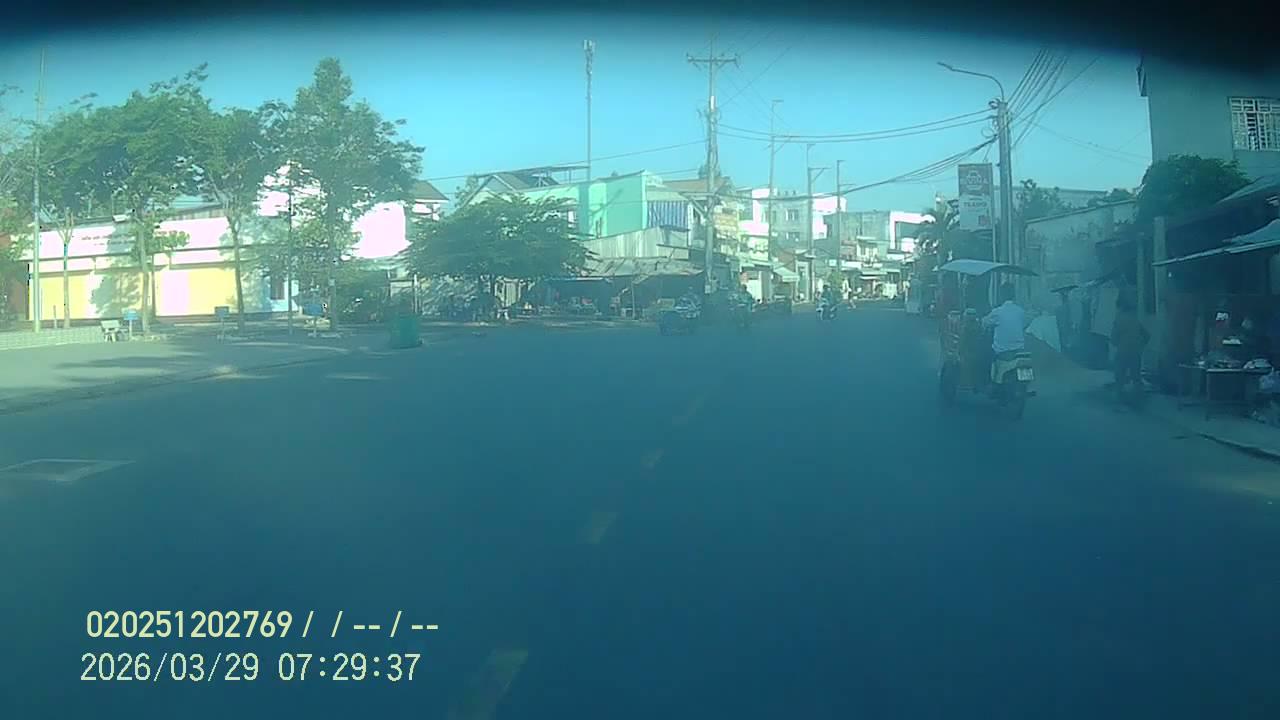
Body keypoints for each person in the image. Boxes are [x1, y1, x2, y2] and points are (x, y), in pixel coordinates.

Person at [980, 283, 1027, 376]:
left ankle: (991, 381)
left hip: (1002, 353)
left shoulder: (997, 312)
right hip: (1020, 351)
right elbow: (1024, 324)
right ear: (1014, 295)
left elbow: (984, 322)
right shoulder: (1021, 311)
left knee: (984, 359)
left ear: (1001, 296)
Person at [1110, 295, 1149, 397]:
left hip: (1123, 351)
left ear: (1120, 307)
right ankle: (1138, 395)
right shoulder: (1134, 319)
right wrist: (1140, 345)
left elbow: (1113, 339)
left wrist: (1118, 343)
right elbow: (1146, 335)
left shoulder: (1119, 319)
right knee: (1136, 375)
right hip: (1136, 352)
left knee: (1119, 374)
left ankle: (1119, 394)